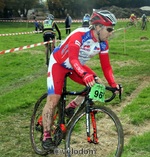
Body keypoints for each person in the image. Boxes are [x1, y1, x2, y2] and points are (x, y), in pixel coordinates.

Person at [41, 10, 122, 150]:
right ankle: (46, 135)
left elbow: (106, 67)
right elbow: (72, 58)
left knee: (96, 84)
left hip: (75, 67)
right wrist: (85, 74)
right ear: (98, 27)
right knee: (54, 99)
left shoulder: (103, 44)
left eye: (112, 29)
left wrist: (114, 85)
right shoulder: (80, 35)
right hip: (59, 64)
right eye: (109, 29)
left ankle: (71, 107)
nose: (111, 33)